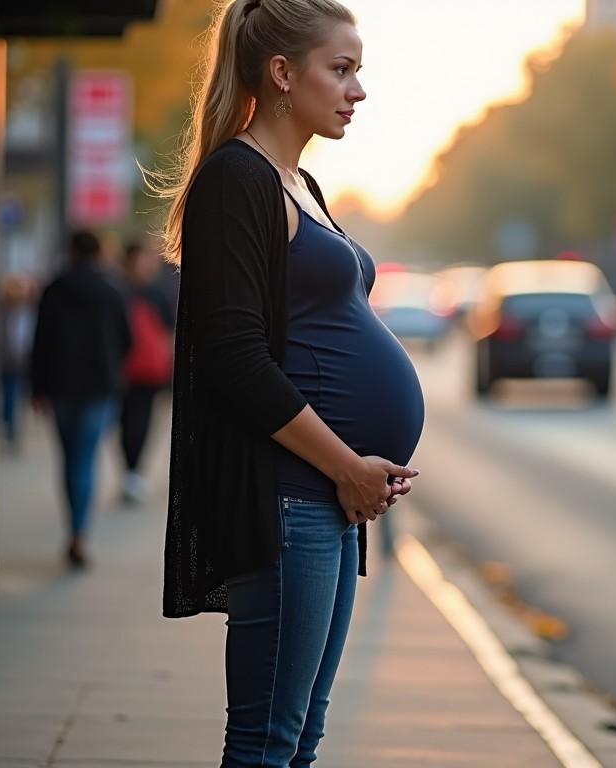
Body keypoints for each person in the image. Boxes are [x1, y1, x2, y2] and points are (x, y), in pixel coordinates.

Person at [155, 1, 424, 765]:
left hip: (328, 502)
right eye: (340, 70)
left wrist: (350, 477)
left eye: (357, 72)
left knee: (300, 736)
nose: (357, 91)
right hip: (289, 498)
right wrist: (345, 465)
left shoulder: (296, 180)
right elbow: (236, 356)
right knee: (267, 742)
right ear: (281, 74)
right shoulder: (236, 180)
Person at [31, 230, 132, 568]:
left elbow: (41, 341)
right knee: (86, 458)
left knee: (69, 457)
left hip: (60, 386)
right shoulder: (111, 290)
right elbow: (126, 340)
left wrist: (37, 388)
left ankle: (73, 530)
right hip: (99, 387)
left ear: (72, 251)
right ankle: (79, 535)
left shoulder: (54, 289)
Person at [119, 240, 175, 504]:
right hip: (121, 370)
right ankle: (131, 470)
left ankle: (133, 471)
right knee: (126, 420)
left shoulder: (157, 293)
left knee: (141, 420)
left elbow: (169, 330)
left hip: (148, 372)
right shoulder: (119, 291)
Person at [0, 274, 37, 452]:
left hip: (23, 364)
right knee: (9, 395)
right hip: (6, 363)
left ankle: (12, 428)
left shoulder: (30, 314)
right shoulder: (1, 313)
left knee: (15, 396)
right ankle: (9, 425)